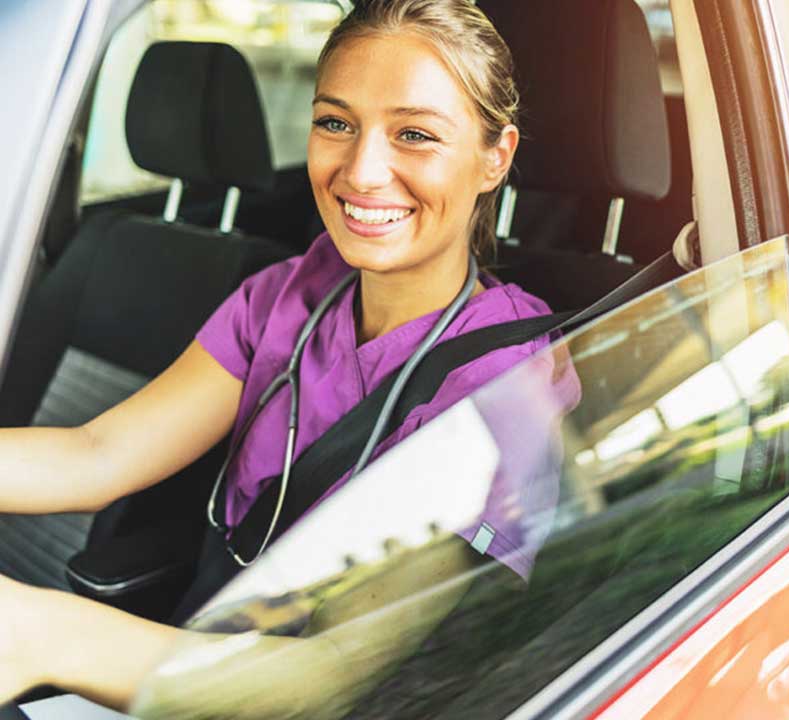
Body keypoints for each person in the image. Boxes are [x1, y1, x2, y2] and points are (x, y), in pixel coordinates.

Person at [0, 0, 580, 716]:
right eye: (336, 123)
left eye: (416, 134)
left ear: (496, 157)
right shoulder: (289, 294)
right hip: (188, 672)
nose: (363, 172)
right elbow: (96, 454)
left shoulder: (508, 382)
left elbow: (336, 671)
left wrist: (37, 635)